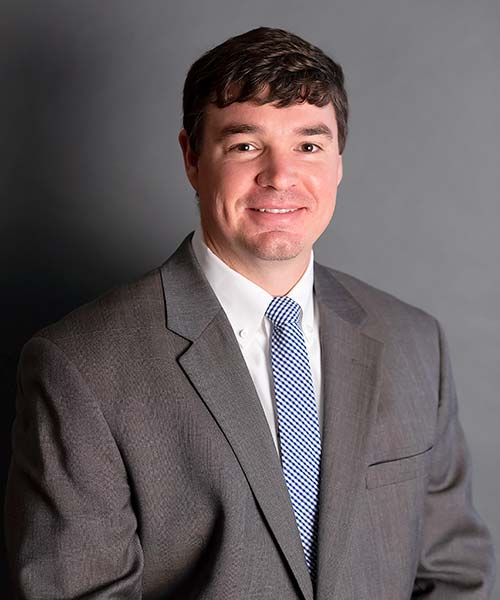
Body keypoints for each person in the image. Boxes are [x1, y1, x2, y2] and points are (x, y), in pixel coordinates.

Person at [5, 26, 495, 599]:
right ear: (192, 157)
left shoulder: (414, 341)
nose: (280, 175)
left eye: (308, 145)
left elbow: (454, 574)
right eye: (244, 145)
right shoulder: (80, 366)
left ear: (338, 161)